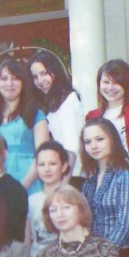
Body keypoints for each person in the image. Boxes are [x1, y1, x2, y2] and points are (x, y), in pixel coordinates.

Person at [0, 57, 49, 190]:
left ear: (23, 83)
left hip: (31, 184)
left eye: (15, 78)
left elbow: (42, 155)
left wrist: (21, 189)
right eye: (4, 78)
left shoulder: (36, 114)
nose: (9, 83)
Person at [79, 117, 129, 250]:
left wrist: (103, 253)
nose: (93, 146)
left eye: (99, 139)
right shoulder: (89, 180)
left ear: (112, 139)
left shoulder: (125, 175)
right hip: (92, 252)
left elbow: (125, 225)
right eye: (88, 142)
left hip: (118, 253)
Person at [85, 59, 129, 166]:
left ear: (127, 84)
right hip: (104, 171)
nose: (110, 87)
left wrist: (123, 170)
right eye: (106, 82)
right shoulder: (92, 116)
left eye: (116, 82)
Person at [29, 50, 83, 178]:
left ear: (55, 72)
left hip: (72, 173)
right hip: (57, 171)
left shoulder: (68, 99)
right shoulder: (46, 102)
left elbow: (71, 146)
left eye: (44, 74)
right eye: (35, 77)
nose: (40, 81)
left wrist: (64, 181)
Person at [26, 141, 70, 257]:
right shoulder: (31, 201)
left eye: (52, 164)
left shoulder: (73, 198)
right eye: (41, 164)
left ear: (64, 166)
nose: (46, 169)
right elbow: (27, 241)